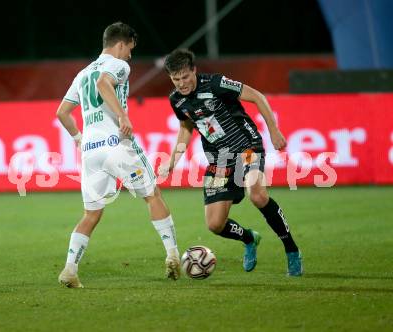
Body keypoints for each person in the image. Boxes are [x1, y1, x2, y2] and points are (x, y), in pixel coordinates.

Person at [56, 22, 180, 288]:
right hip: (116, 144)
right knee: (152, 195)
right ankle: (172, 255)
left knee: (91, 214)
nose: (130, 56)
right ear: (121, 44)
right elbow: (104, 83)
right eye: (130, 49)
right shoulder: (119, 66)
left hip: (90, 151)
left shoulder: (82, 73)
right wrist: (123, 115)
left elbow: (62, 113)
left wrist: (79, 139)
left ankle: (70, 269)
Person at [159, 49, 302, 276]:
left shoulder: (216, 83)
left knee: (258, 195)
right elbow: (186, 129)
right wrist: (172, 161)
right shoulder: (176, 100)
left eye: (185, 77)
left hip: (246, 147)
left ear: (194, 70)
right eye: (176, 79)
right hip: (219, 159)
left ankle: (291, 250)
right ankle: (249, 238)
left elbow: (257, 96)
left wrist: (274, 131)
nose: (182, 84)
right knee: (215, 225)